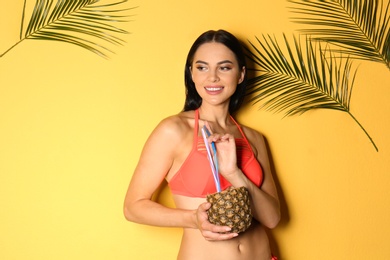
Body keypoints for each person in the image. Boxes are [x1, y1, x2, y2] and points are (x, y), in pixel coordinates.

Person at [123, 29, 280, 260]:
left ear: (241, 74)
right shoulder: (174, 130)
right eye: (202, 67)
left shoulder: (254, 138)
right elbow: (132, 207)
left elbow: (272, 218)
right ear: (192, 74)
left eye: (224, 67)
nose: (212, 77)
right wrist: (192, 219)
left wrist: (234, 173)